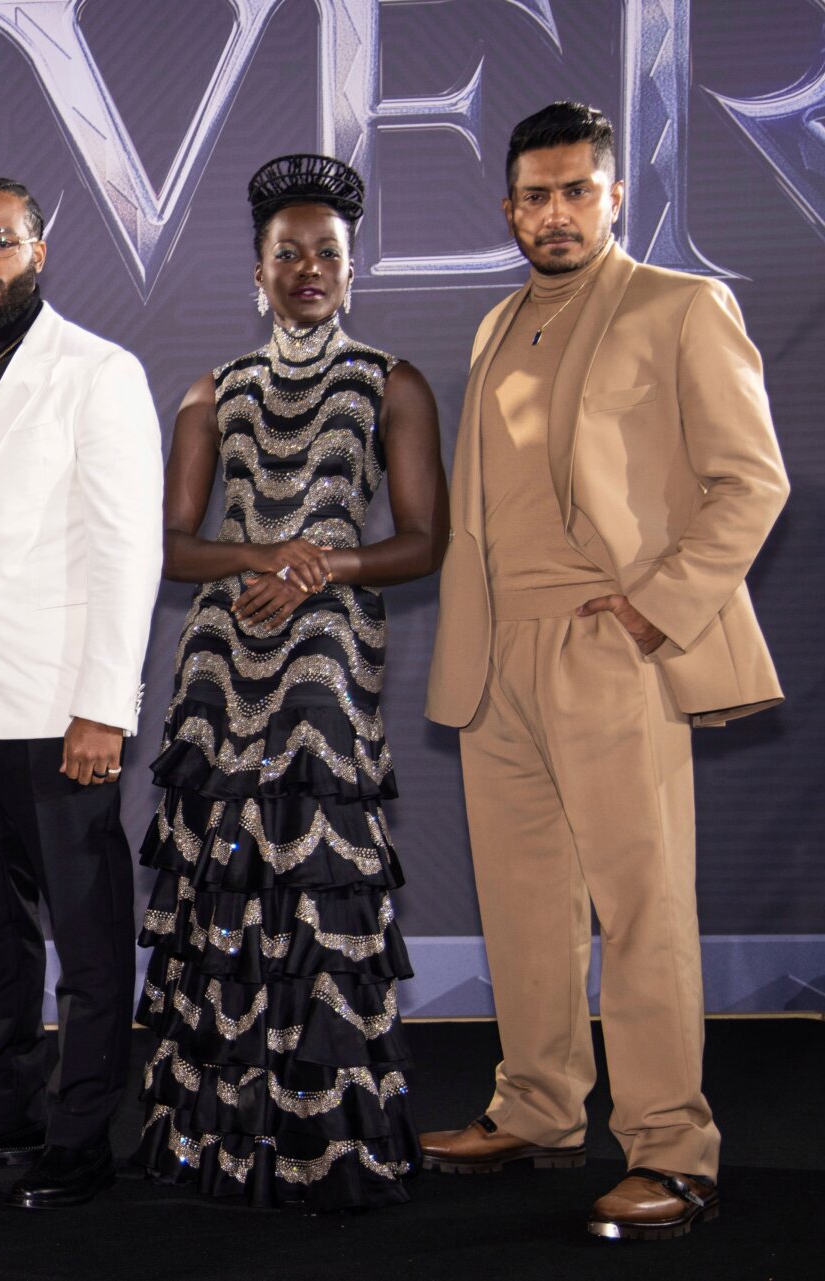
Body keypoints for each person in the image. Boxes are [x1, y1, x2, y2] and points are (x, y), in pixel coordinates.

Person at [420, 101, 787, 1241]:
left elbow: (752, 481)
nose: (556, 211)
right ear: (509, 208)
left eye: (578, 189)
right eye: (536, 193)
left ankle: (675, 1153)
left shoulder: (681, 306)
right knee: (526, 910)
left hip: (610, 644)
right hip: (496, 661)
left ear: (615, 196)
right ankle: (536, 1108)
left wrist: (653, 610)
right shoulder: (493, 327)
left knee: (642, 911)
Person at [132, 155, 447, 1210]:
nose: (308, 269)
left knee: (319, 890)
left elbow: (423, 540)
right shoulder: (211, 391)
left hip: (328, 658)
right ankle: (216, 1138)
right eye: (288, 254)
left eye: (328, 255)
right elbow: (174, 548)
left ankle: (326, 1139)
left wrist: (328, 564)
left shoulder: (391, 382)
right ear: (257, 270)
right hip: (223, 663)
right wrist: (268, 559)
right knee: (224, 882)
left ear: (353, 272)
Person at [0, 176, 163, 1209]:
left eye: (2, 240)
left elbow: (127, 548)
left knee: (89, 935)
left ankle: (83, 1131)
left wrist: (105, 702)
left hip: (61, 709)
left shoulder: (99, 372)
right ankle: (3, 1110)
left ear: (40, 251)